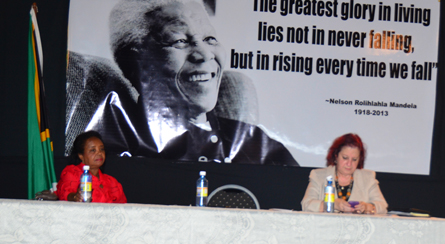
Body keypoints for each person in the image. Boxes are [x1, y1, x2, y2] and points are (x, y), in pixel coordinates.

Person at [86, 0, 297, 165]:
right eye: (179, 41)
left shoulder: (253, 142)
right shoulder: (117, 147)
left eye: (210, 39)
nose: (205, 55)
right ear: (136, 64)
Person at [301, 133, 388, 214]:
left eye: (354, 159)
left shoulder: (368, 178)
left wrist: (367, 207)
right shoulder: (319, 176)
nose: (349, 164)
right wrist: (333, 204)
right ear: (336, 156)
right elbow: (306, 205)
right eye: (345, 158)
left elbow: (383, 207)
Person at [56, 131, 127, 203]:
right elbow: (65, 193)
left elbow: (123, 210)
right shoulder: (72, 172)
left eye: (101, 149)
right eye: (93, 150)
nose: (99, 153)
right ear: (81, 156)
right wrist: (75, 197)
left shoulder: (112, 182)